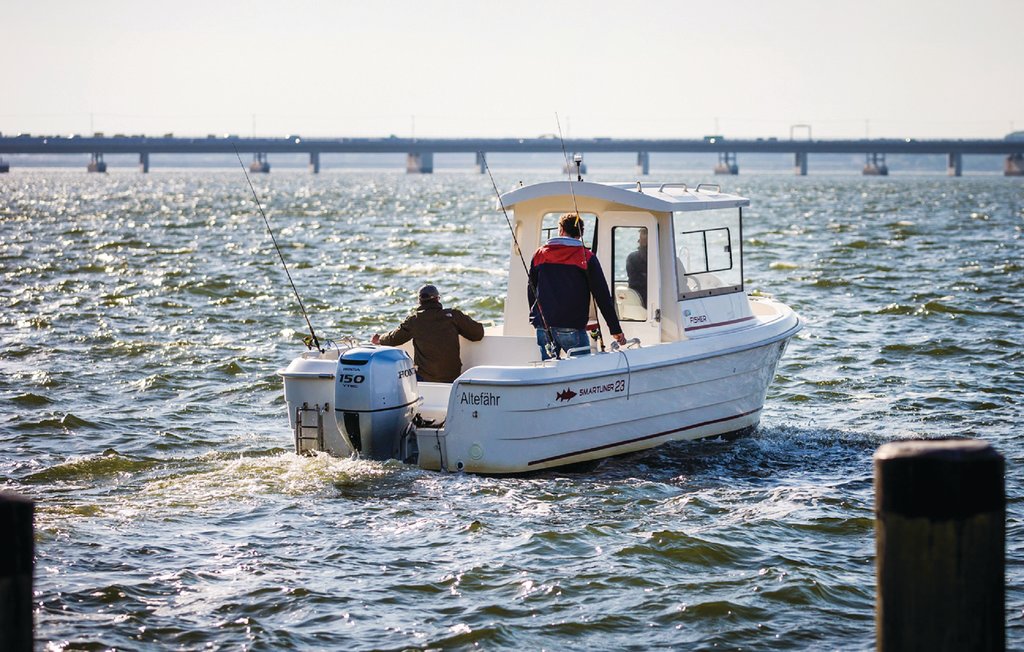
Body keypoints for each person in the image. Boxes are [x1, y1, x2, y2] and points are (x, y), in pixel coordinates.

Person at [528, 213, 626, 359]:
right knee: (581, 370)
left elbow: (531, 290)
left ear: (560, 230)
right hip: (572, 327)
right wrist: (615, 329)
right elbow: (602, 296)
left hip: (544, 326)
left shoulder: (540, 254)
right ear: (581, 233)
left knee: (548, 370)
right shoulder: (587, 257)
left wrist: (535, 318)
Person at [371, 284, 484, 383]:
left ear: (419, 301)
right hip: (451, 377)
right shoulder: (453, 316)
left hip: (425, 378)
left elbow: (394, 338)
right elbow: (478, 334)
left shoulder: (415, 320)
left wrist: (379, 339)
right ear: (437, 299)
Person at [625, 228, 648, 307]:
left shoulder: (631, 258)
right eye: (643, 234)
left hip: (636, 303)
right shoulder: (633, 258)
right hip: (645, 302)